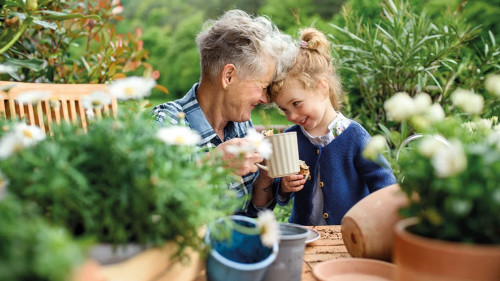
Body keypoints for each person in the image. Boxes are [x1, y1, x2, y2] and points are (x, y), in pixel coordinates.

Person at [151, 10, 298, 217]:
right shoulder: (167, 123)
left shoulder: (240, 125)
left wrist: (265, 176)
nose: (265, 99)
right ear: (229, 76)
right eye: (262, 86)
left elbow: (253, 214)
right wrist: (212, 165)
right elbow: (149, 203)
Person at [267, 28, 398, 225]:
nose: (292, 116)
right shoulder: (291, 138)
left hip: (346, 236)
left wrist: (379, 219)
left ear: (322, 87)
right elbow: (280, 191)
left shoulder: (354, 136)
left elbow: (384, 183)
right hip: (304, 234)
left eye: (296, 104)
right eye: (284, 110)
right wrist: (284, 186)